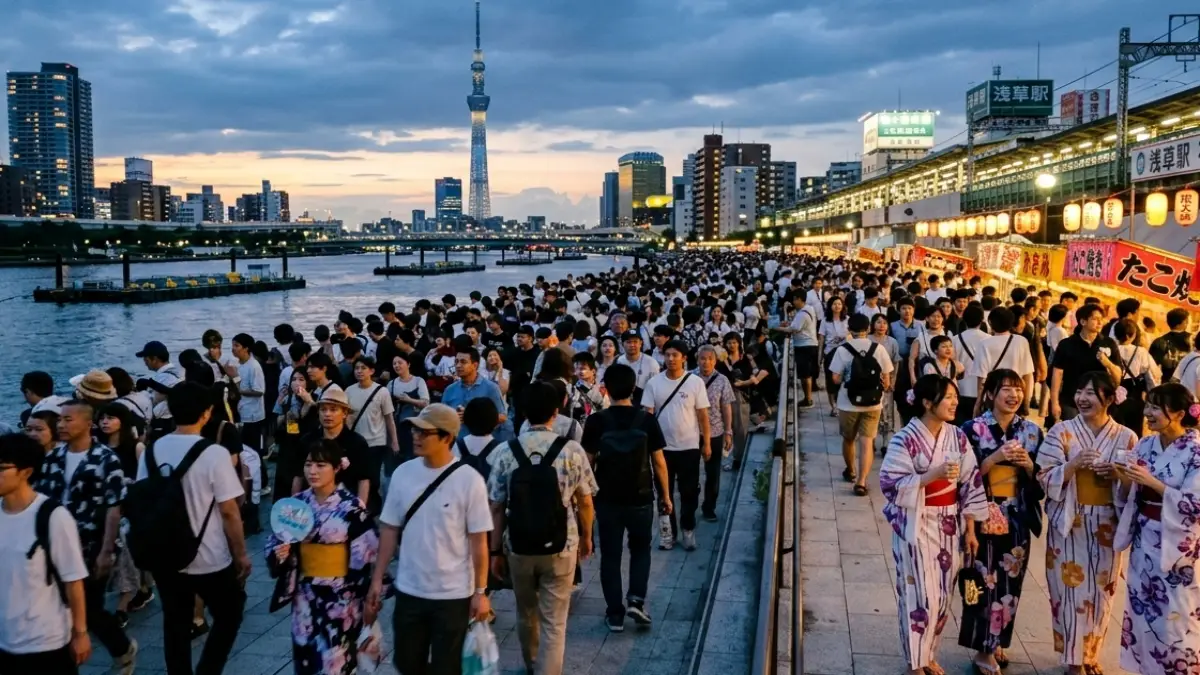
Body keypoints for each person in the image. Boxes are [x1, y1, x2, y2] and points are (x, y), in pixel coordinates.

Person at [366, 404, 492, 675]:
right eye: (415, 430)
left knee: (447, 667)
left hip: (453, 594)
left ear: (447, 437)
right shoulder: (403, 474)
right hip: (410, 589)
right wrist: (377, 578)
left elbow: (478, 542)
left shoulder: (470, 481)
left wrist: (480, 593)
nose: (416, 436)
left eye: (425, 432)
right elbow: (388, 529)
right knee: (407, 662)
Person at [136, 381, 250, 675]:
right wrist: (241, 554)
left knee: (175, 621)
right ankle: (208, 670)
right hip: (208, 555)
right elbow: (229, 511)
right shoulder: (213, 454)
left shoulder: (151, 450)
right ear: (207, 413)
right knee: (230, 613)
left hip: (164, 555)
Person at [879, 374, 987, 675]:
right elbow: (889, 483)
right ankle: (915, 662)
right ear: (927, 402)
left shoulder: (957, 436)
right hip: (917, 522)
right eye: (948, 397)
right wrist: (932, 475)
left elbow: (971, 482)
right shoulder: (905, 439)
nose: (955, 402)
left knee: (941, 594)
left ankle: (929, 654)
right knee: (918, 594)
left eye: (955, 396)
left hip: (950, 522)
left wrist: (971, 528)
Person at [488, 381, 597, 675]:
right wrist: (587, 537)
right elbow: (585, 502)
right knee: (555, 621)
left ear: (523, 412)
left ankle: (532, 665)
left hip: (518, 546)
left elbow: (496, 507)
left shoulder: (504, 452)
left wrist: (495, 550)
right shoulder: (572, 450)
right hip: (562, 544)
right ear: (556, 410)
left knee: (526, 614)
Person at [1037, 372, 1136, 675]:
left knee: (1102, 594)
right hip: (1071, 521)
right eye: (1079, 391)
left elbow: (1136, 484)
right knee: (1069, 592)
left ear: (1109, 398)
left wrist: (1118, 476)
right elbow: (1043, 475)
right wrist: (1072, 466)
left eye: (1091, 393)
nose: (1082, 398)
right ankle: (1072, 659)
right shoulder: (1061, 432)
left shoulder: (1126, 436)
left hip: (1107, 523)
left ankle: (1090, 654)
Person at [33, 399, 139, 673]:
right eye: (60, 420)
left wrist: (106, 551)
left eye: (68, 419)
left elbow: (114, 507)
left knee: (90, 608)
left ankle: (122, 648)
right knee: (63, 606)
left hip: (92, 544)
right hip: (55, 546)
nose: (62, 424)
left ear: (87, 424)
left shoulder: (105, 459)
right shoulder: (52, 458)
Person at [265, 439, 379, 675]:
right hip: (305, 594)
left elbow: (367, 554)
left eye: (320, 465)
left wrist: (368, 596)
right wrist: (282, 553)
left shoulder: (350, 506)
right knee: (306, 656)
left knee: (336, 661)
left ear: (337, 468)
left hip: (341, 597)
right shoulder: (296, 504)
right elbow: (277, 541)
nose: (312, 471)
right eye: (308, 464)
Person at [957, 370, 1044, 674]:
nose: (1013, 395)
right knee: (982, 580)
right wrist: (993, 458)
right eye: (1005, 389)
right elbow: (962, 478)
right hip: (983, 515)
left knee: (1010, 584)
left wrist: (1029, 465)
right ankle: (982, 649)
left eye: (1018, 389)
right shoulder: (971, 428)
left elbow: (1040, 480)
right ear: (990, 394)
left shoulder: (1032, 431)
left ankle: (997, 642)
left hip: (1017, 516)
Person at [1113, 382, 1200, 675]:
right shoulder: (1146, 444)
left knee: (1177, 617)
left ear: (1176, 412)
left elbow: (1195, 503)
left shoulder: (1195, 450)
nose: (1147, 413)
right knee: (1143, 613)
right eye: (1147, 405)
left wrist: (1151, 482)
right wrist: (1124, 477)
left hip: (1178, 548)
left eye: (1155, 407)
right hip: (1144, 540)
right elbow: (1129, 493)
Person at [581, 364, 671, 632]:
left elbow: (588, 462)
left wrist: (583, 502)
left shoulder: (597, 421)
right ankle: (636, 600)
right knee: (641, 549)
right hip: (641, 496)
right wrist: (665, 495)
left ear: (605, 388)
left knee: (610, 555)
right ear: (634, 388)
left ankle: (615, 614)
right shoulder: (646, 420)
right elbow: (659, 462)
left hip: (607, 498)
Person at [0, 433, 91, 673]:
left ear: (26, 472)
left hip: (46, 640)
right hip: (5, 640)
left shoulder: (52, 516)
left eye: (1, 468)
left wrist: (80, 633)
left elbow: (73, 580)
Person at [642, 340, 711, 551]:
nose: (671, 359)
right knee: (664, 492)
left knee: (689, 492)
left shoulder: (695, 382)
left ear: (684, 358)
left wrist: (706, 443)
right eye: (668, 355)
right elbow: (648, 415)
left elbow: (703, 415)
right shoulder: (654, 383)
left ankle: (688, 529)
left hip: (689, 447)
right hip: (661, 450)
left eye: (675, 355)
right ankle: (667, 533)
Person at [97, 403, 152, 628]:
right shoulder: (97, 448)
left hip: (130, 507)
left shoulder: (136, 448)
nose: (105, 422)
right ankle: (142, 588)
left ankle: (129, 596)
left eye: (111, 418)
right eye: (102, 418)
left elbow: (144, 481)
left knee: (128, 548)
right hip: (106, 507)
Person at [829, 314, 894, 495]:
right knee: (867, 441)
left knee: (849, 439)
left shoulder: (843, 350)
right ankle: (862, 482)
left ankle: (850, 471)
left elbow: (835, 378)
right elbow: (887, 382)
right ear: (868, 328)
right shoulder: (879, 349)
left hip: (847, 402)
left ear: (849, 329)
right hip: (873, 403)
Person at [296, 386, 371, 504]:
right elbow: (298, 476)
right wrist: (295, 504)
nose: (327, 414)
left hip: (345, 505)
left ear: (344, 413)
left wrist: (360, 508)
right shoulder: (307, 440)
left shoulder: (357, 443)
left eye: (333, 409)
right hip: (310, 504)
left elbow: (363, 480)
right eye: (323, 409)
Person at [1050, 304, 1123, 422]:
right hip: (1071, 400)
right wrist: (1054, 402)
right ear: (1083, 321)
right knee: (1073, 436)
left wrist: (1107, 363)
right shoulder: (1067, 344)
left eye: (1101, 319)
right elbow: (1057, 374)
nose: (1099, 322)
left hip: (1099, 402)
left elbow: (1118, 377)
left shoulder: (1108, 343)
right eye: (1095, 319)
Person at [346, 356, 399, 513]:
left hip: (376, 441)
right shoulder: (349, 391)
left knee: (373, 477)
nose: (360, 371)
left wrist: (394, 441)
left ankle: (373, 507)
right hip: (356, 441)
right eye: (357, 368)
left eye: (363, 368)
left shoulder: (382, 392)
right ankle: (361, 505)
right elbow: (346, 417)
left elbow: (389, 418)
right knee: (357, 475)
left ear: (371, 371)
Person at [968, 308, 1035, 418]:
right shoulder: (1021, 341)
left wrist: (978, 403)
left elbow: (981, 379)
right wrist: (1026, 401)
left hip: (994, 396)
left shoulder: (984, 344)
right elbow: (1028, 375)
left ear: (990, 322)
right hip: (1016, 396)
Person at [694, 346, 734, 521]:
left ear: (715, 361)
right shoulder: (689, 377)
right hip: (692, 432)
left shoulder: (722, 380)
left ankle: (709, 507)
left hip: (715, 431)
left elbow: (726, 406)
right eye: (703, 358)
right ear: (697, 360)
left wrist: (728, 431)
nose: (706, 362)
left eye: (710, 358)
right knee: (691, 473)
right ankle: (690, 506)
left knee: (713, 473)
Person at [387, 352, 429, 467]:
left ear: (408, 364)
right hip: (397, 426)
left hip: (415, 426)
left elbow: (426, 403)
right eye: (394, 363)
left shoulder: (418, 381)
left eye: (400, 362)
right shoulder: (392, 384)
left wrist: (410, 400)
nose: (397, 366)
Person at [783, 292, 819, 408]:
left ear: (799, 299)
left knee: (805, 375)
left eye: (794, 300)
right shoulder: (810, 309)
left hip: (804, 346)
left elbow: (794, 329)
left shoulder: (802, 314)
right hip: (811, 344)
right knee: (807, 374)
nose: (793, 302)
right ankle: (808, 398)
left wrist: (777, 328)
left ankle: (808, 399)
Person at [954, 306, 989, 425]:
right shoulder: (989, 339)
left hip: (959, 390)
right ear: (982, 320)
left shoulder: (955, 339)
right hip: (982, 392)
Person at [819, 296, 850, 416]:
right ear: (830, 306)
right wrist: (819, 357)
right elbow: (821, 339)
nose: (837, 306)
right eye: (834, 304)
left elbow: (852, 335)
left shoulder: (847, 319)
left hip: (845, 352)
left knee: (843, 379)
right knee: (830, 380)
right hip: (830, 352)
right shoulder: (825, 321)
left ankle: (842, 403)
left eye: (839, 304)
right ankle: (833, 406)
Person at [616, 331, 661, 407]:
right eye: (628, 342)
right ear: (622, 344)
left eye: (635, 342)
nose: (632, 345)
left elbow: (656, 389)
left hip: (644, 404)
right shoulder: (619, 361)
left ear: (641, 343)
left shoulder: (651, 363)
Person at [1147, 308, 1191, 381]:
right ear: (1184, 322)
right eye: (1187, 321)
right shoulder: (1194, 340)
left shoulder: (1159, 342)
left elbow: (1151, 367)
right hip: (1191, 384)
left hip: (1168, 385)